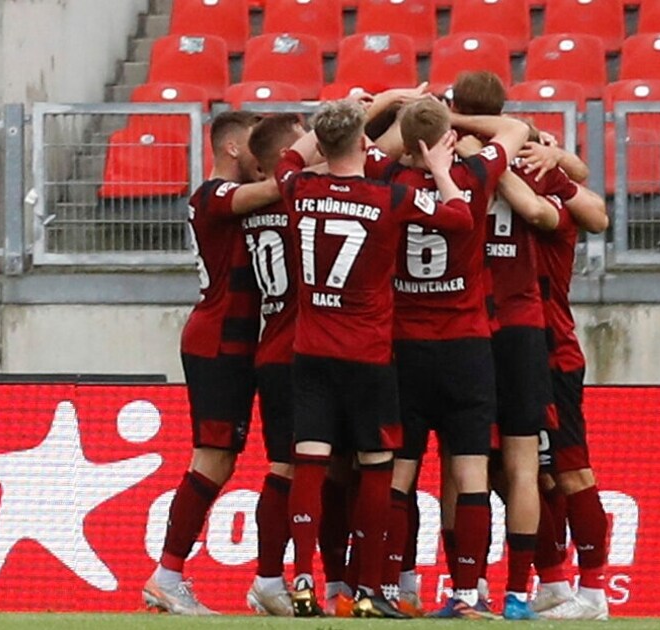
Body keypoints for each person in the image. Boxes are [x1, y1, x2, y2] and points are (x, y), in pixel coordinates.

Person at [275, 99, 475, 619]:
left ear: (322, 146)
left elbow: (288, 161)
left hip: (311, 349)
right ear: (365, 146)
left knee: (311, 464)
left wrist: (342, 120)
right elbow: (459, 216)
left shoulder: (299, 189)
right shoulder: (390, 197)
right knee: (375, 468)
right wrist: (440, 171)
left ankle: (302, 579)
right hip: (367, 353)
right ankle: (367, 590)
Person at [368, 98, 528, 619]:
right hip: (465, 345)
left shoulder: (386, 179)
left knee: (400, 473)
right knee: (471, 472)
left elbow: (364, 148)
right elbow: (515, 127)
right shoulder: (476, 174)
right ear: (446, 140)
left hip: (404, 345)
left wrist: (403, 115)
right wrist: (451, 127)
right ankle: (468, 591)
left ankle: (392, 586)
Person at [142, 111, 281, 616]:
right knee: (213, 458)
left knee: (222, 458)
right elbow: (274, 189)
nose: (263, 153)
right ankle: (168, 575)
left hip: (237, 339)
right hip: (218, 338)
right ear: (230, 148)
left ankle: (173, 575)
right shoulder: (213, 194)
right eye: (254, 143)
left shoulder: (229, 199)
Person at [450, 70, 563, 621]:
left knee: (460, 463)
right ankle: (520, 592)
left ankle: (466, 589)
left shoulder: (442, 163)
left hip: (466, 325)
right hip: (520, 322)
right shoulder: (526, 159)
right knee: (522, 463)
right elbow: (558, 209)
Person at [523, 140, 614, 622]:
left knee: (572, 469)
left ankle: (594, 591)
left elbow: (598, 215)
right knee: (530, 473)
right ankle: (554, 583)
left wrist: (558, 164)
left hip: (551, 354)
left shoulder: (548, 194)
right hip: (507, 354)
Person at [241, 114, 306, 617]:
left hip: (275, 344)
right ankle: (272, 577)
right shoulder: (298, 198)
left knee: (292, 467)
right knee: (301, 468)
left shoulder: (254, 208)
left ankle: (277, 578)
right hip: (302, 351)